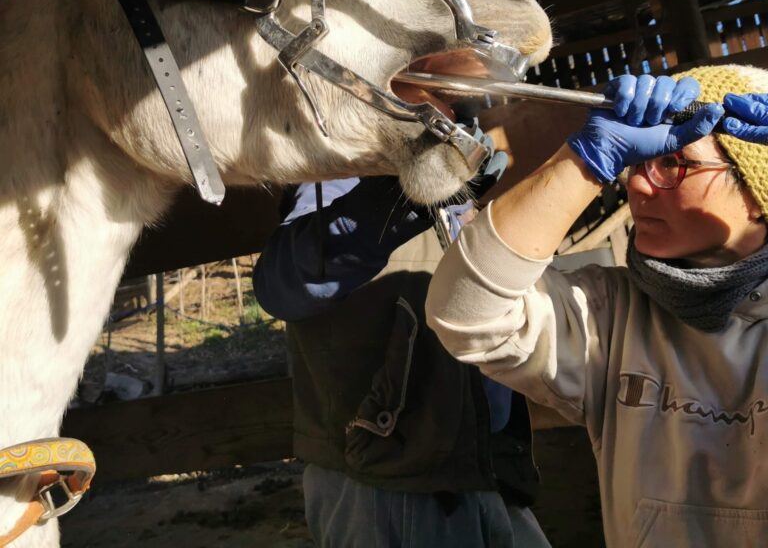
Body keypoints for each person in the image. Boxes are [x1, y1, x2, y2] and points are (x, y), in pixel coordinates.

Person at [426, 64, 768, 548]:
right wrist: (585, 161)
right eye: (636, 160)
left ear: (758, 194)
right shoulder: (610, 315)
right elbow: (466, 314)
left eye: (673, 162)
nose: (639, 185)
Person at [253, 128, 552, 548]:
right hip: (386, 480)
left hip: (478, 462)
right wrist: (398, 200)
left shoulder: (453, 178)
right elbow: (282, 286)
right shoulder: (336, 176)